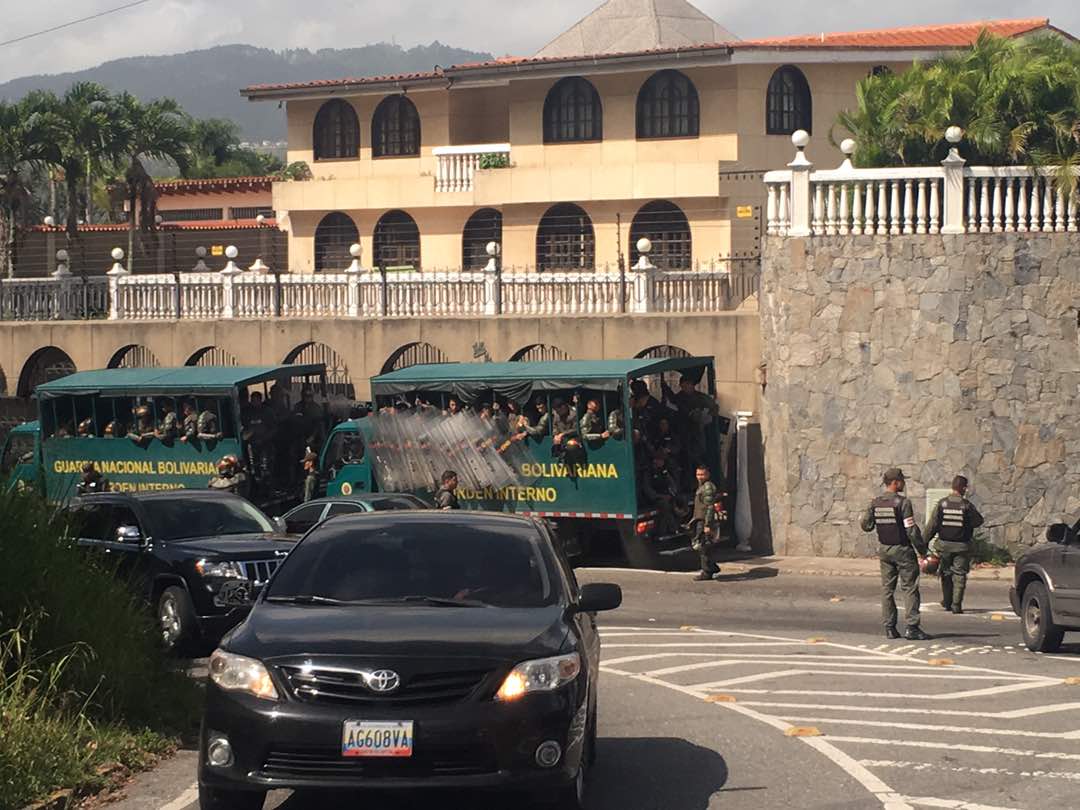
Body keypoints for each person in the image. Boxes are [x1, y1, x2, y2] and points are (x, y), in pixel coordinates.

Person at [860, 467, 931, 640]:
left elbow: (866, 526)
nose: (904, 484)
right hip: (902, 550)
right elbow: (911, 530)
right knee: (910, 588)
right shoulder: (903, 503)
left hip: (885, 550)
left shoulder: (875, 502)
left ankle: (890, 628)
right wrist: (922, 551)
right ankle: (912, 627)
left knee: (887, 590)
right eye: (902, 481)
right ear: (895, 483)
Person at [924, 475, 985, 614]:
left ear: (952, 487)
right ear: (963, 488)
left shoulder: (942, 504)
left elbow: (932, 526)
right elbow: (978, 521)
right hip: (961, 547)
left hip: (944, 546)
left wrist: (923, 543)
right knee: (960, 575)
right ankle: (956, 605)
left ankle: (947, 602)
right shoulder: (967, 505)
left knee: (945, 574)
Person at [688, 464, 721, 581]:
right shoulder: (701, 486)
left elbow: (709, 507)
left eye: (702, 474)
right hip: (700, 519)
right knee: (705, 546)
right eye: (698, 474)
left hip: (704, 521)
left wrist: (707, 525)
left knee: (702, 546)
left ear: (708, 475)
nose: (700, 477)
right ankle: (712, 567)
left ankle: (707, 571)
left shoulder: (707, 488)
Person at [642, 452, 680, 536]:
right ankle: (669, 528)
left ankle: (681, 524)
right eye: (660, 460)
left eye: (662, 461)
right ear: (655, 461)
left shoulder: (664, 471)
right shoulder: (649, 472)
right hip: (655, 498)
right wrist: (659, 497)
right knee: (665, 506)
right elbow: (647, 489)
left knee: (679, 502)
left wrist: (672, 494)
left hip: (667, 495)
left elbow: (672, 483)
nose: (662, 462)